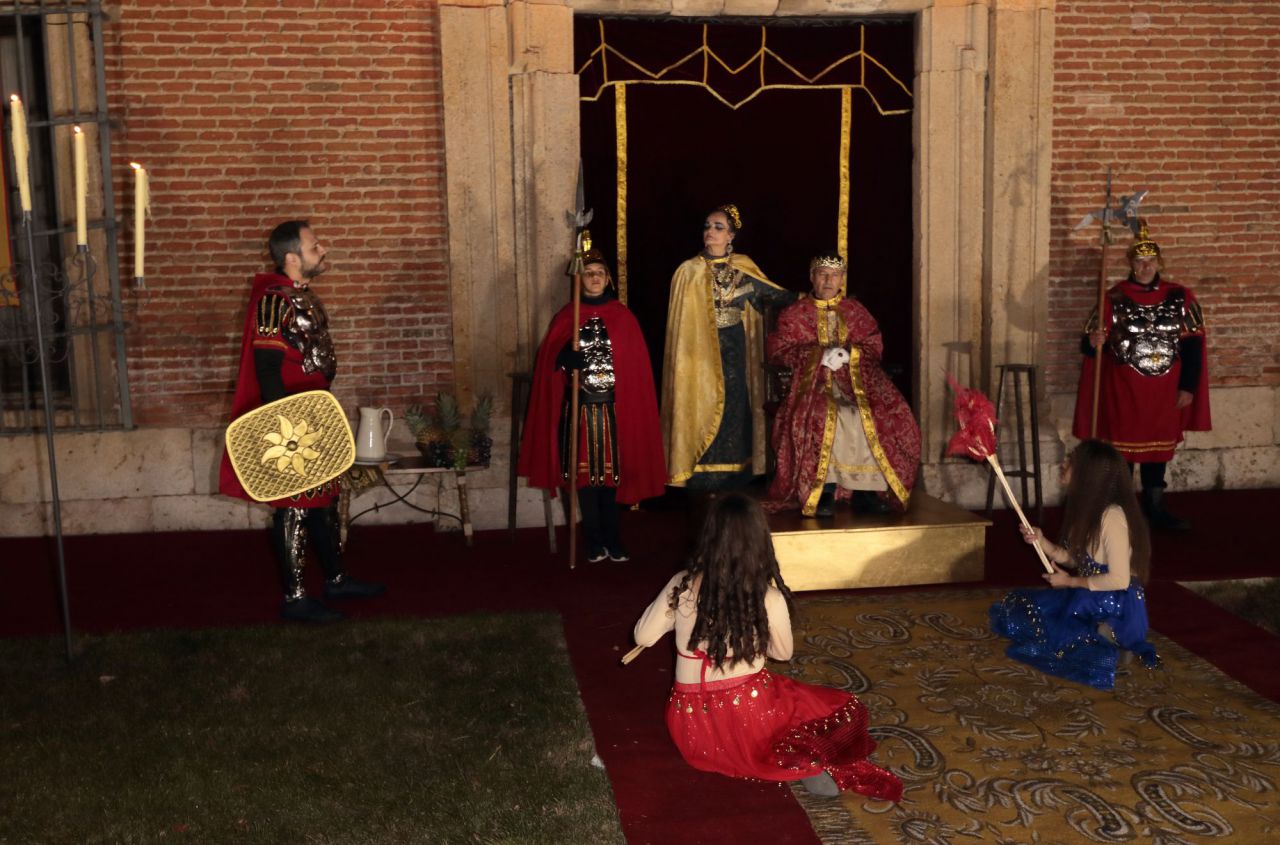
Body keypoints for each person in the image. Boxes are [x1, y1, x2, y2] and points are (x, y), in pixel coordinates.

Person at [633, 493, 902, 801]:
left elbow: (643, 637)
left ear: (708, 537)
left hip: (690, 729)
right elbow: (783, 654)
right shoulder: (767, 597)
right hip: (750, 716)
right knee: (832, 706)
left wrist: (680, 617)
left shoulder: (681, 584)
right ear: (759, 540)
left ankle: (801, 762)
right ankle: (805, 763)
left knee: (786, 706)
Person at [218, 221, 384, 623]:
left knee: (323, 501)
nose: (322, 250)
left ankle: (336, 579)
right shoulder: (274, 301)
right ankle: (295, 599)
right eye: (314, 246)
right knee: (294, 507)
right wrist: (286, 428)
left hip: (314, 414)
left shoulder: (302, 296)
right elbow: (267, 368)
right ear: (292, 257)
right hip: (292, 424)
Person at [518, 249, 666, 562]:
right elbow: (548, 364)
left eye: (600, 272)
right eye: (588, 273)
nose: (595, 277)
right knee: (584, 478)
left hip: (613, 411)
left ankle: (614, 539)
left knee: (611, 478)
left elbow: (635, 369)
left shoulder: (623, 317)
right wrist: (563, 358)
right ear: (579, 279)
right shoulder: (567, 317)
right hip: (580, 410)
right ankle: (593, 541)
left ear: (608, 278)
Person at [989, 440, 1160, 690]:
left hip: (1116, 600)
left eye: (1070, 462)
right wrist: (1041, 541)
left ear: (1087, 475)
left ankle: (1112, 637)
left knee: (1059, 637)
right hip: (1089, 591)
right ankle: (1100, 636)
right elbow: (1074, 558)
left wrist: (1069, 581)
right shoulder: (1087, 509)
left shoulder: (1112, 517)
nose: (1063, 464)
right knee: (1021, 610)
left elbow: (1119, 579)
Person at [1072, 222, 1210, 530]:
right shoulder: (1113, 298)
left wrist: (1188, 386)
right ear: (1131, 264)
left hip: (1165, 388)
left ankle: (1155, 507)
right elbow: (1089, 345)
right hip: (1123, 388)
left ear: (1159, 262)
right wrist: (1093, 342)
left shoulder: (1181, 297)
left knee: (1157, 450)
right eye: (1139, 261)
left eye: (1150, 261)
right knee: (1122, 451)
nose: (1146, 267)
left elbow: (1193, 345)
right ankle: (1120, 510)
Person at [767, 251, 920, 518]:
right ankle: (824, 489)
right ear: (812, 277)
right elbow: (778, 352)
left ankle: (865, 491)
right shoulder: (794, 314)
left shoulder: (855, 311)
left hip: (856, 382)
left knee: (871, 413)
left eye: (835, 275)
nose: (829, 281)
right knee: (829, 414)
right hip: (812, 385)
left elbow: (873, 346)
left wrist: (850, 354)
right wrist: (819, 356)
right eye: (823, 275)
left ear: (842, 279)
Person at [661, 204, 797, 490]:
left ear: (731, 236)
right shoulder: (688, 271)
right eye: (707, 226)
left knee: (735, 405)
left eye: (718, 227)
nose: (710, 231)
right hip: (699, 351)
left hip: (734, 347)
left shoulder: (743, 267)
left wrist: (810, 299)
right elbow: (682, 325)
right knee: (702, 403)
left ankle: (735, 475)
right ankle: (700, 474)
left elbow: (774, 297)